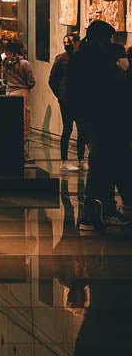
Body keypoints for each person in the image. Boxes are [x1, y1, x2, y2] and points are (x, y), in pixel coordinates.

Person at [68, 20, 131, 231]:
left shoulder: (81, 56)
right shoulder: (98, 59)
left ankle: (103, 210)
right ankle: (93, 214)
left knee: (104, 163)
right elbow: (111, 87)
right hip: (102, 119)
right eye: (108, 38)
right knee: (102, 164)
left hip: (92, 118)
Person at [49, 34, 86, 172]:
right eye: (65, 42)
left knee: (82, 130)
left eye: (69, 42)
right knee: (67, 129)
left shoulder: (81, 58)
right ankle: (64, 160)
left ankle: (81, 159)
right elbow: (52, 80)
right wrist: (60, 96)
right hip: (66, 100)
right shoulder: (61, 59)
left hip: (79, 99)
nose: (67, 44)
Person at [1, 40, 36, 152]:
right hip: (21, 93)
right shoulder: (24, 63)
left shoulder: (5, 62)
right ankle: (21, 151)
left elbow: (4, 80)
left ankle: (10, 148)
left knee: (10, 122)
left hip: (9, 92)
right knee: (23, 123)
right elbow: (31, 81)